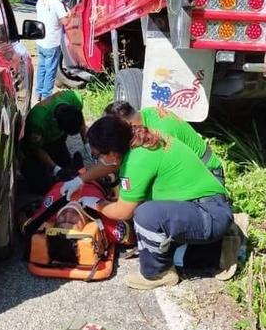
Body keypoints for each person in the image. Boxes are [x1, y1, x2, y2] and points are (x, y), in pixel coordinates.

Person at [83, 116, 234, 290]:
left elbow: (122, 212)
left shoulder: (136, 161)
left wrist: (96, 203)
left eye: (98, 155)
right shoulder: (143, 137)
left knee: (145, 216)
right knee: (163, 250)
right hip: (208, 207)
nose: (98, 160)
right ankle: (222, 247)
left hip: (208, 214)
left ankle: (158, 274)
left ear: (113, 152)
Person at [105, 101, 225, 184]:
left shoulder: (158, 133)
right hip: (195, 168)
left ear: (130, 125)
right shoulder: (147, 113)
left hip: (208, 174)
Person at [22, 89, 86, 193]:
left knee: (69, 174)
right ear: (56, 124)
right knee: (41, 187)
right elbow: (37, 149)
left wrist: (86, 143)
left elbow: (80, 119)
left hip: (57, 141)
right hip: (40, 145)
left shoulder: (75, 98)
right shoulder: (37, 121)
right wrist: (55, 168)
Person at [34, 0, 69, 101]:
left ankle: (38, 93)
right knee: (51, 70)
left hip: (41, 39)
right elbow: (65, 21)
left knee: (42, 67)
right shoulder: (56, 2)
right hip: (52, 41)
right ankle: (46, 96)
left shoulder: (42, 0)